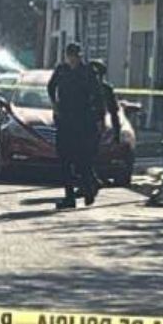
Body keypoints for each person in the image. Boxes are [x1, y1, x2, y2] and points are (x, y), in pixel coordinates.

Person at [48, 45, 120, 209]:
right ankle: (69, 197)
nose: (73, 59)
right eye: (70, 56)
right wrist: (54, 104)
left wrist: (100, 119)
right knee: (65, 160)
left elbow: (98, 97)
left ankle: (89, 189)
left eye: (76, 56)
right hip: (65, 120)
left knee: (83, 160)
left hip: (83, 121)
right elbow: (51, 87)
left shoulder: (87, 72)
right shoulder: (61, 70)